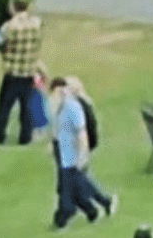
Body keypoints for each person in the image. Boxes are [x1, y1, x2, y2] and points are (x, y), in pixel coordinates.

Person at [48, 79, 113, 229]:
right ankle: (96, 208)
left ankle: (63, 218)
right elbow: (57, 128)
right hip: (63, 154)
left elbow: (81, 133)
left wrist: (83, 155)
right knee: (78, 185)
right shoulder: (59, 106)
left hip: (71, 155)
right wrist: (52, 144)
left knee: (68, 189)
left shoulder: (72, 107)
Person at [0, 0, 40, 146]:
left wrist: (1, 49)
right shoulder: (37, 24)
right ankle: (25, 137)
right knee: (26, 108)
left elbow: (1, 44)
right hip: (29, 72)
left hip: (12, 73)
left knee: (4, 108)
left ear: (13, 8)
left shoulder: (9, 26)